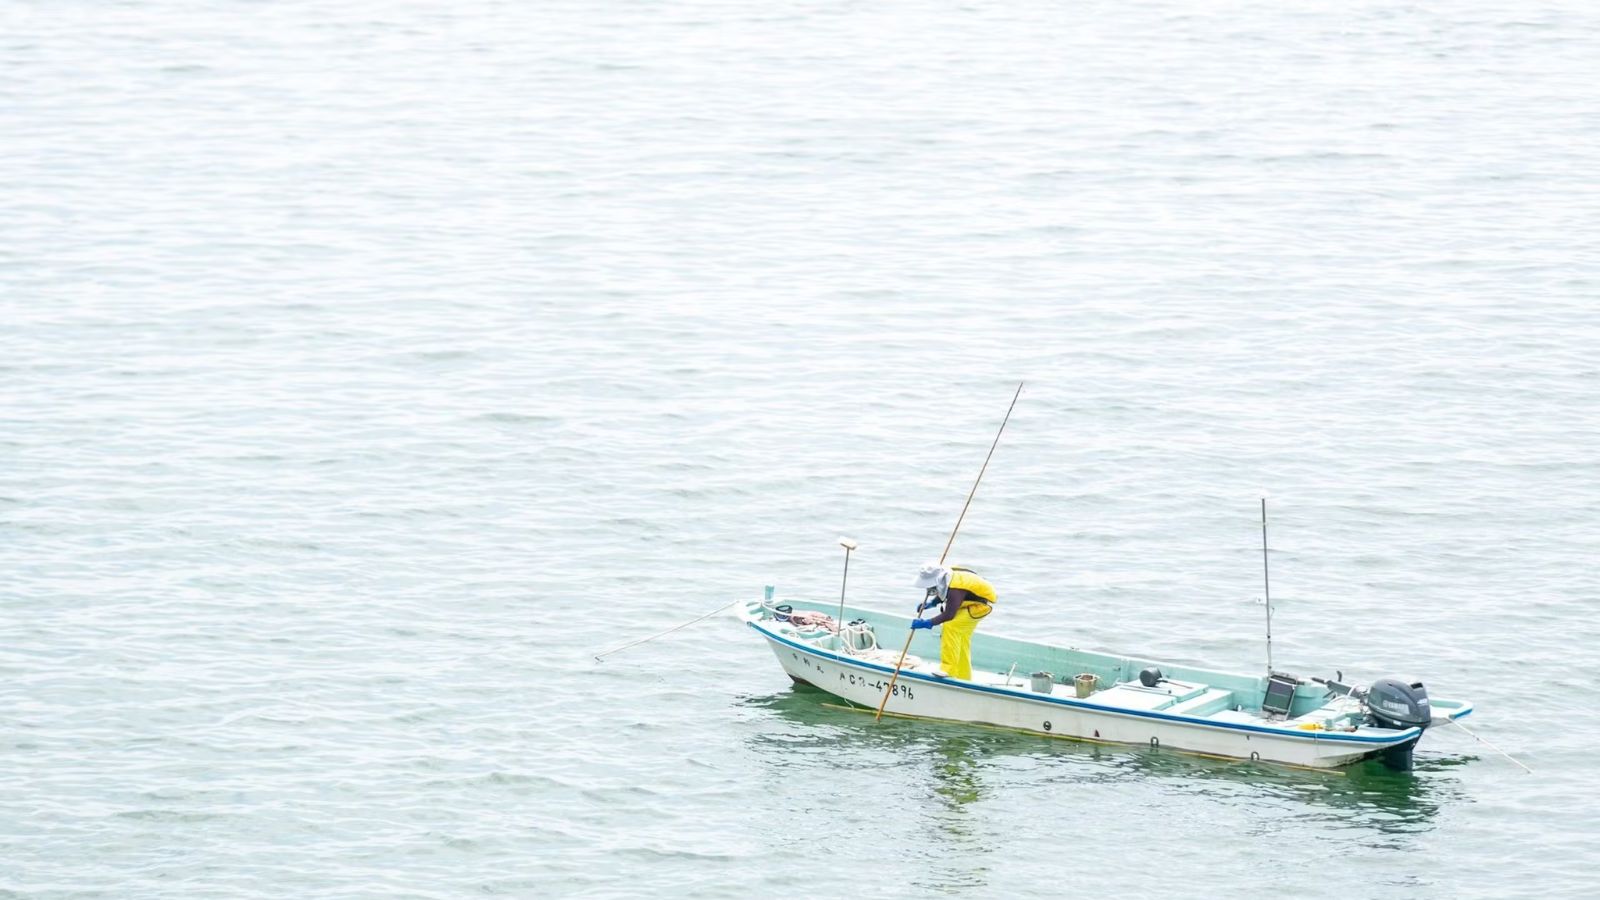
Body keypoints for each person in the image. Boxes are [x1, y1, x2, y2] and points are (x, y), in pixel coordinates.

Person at [910, 563, 996, 680]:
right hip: (971, 603)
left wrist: (927, 623)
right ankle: (963, 676)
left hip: (980, 606)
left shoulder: (956, 589)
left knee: (951, 627)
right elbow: (945, 591)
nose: (929, 589)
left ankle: (948, 669)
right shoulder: (947, 577)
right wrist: (933, 603)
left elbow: (949, 615)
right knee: (961, 639)